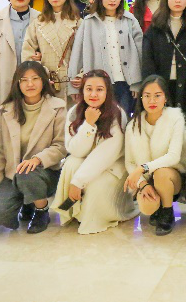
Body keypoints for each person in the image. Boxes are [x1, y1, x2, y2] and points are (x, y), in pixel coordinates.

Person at [0, 61, 67, 234]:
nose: (30, 84)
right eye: (24, 80)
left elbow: (61, 146)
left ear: (43, 81)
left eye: (35, 78)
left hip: (44, 173)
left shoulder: (58, 106)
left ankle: (41, 209)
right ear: (17, 83)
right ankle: (28, 201)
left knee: (27, 173)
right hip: (13, 174)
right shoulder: (5, 111)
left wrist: (37, 159)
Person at [52, 70, 136, 234]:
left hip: (112, 166)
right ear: (82, 90)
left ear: (107, 92)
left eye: (99, 89)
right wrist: (89, 124)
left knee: (96, 185)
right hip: (86, 161)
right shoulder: (74, 112)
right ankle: (73, 211)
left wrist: (78, 181)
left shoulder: (117, 114)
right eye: (89, 89)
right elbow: (75, 150)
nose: (93, 94)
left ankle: (92, 214)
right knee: (71, 163)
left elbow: (106, 154)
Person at [68, 0, 144, 115]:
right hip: (98, 84)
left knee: (123, 120)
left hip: (125, 84)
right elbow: (77, 54)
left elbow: (140, 53)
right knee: (99, 120)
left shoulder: (130, 20)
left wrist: (137, 83)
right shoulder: (88, 22)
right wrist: (73, 87)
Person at [124, 75, 186, 236]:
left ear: (165, 98)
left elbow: (173, 156)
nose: (152, 100)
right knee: (147, 207)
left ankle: (167, 211)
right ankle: (156, 207)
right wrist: (143, 184)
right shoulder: (133, 125)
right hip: (147, 179)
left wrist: (143, 168)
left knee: (161, 173)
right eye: (147, 96)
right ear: (141, 98)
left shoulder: (175, 118)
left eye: (157, 95)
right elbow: (129, 162)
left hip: (172, 177)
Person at [141, 0, 186, 117]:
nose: (178, 0)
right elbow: (147, 60)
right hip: (161, 85)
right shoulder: (155, 28)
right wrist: (152, 88)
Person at [22, 0, 81, 104]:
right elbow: (27, 52)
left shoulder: (78, 22)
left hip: (72, 83)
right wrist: (39, 75)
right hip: (47, 83)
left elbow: (88, 52)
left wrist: (82, 75)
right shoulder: (38, 22)